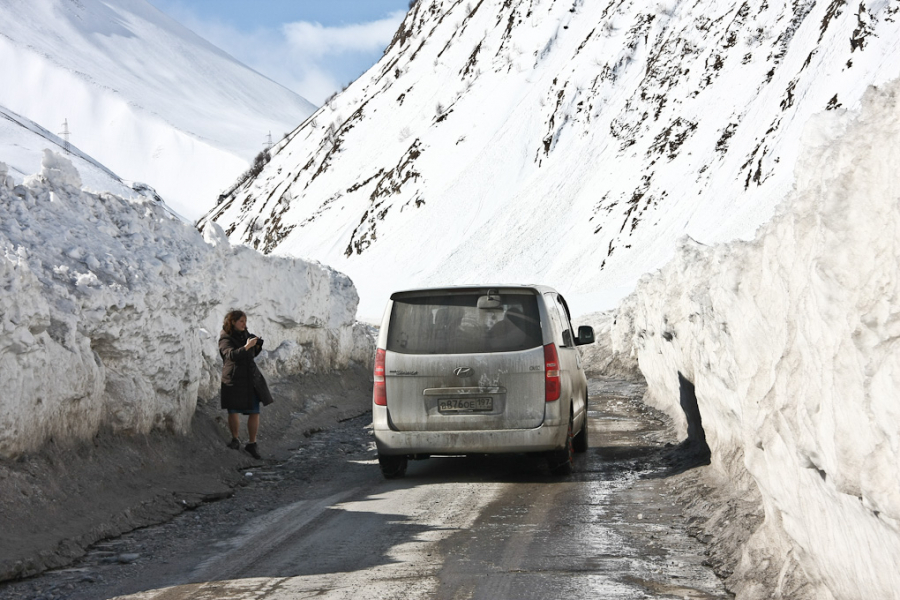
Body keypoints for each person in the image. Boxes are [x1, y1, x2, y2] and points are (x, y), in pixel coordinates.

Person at [219, 310, 273, 459]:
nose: (244, 324)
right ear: (232, 322)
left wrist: (256, 346)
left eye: (245, 321)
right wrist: (247, 347)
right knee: (233, 410)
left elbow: (250, 356)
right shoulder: (225, 338)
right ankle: (235, 439)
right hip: (234, 379)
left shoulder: (245, 335)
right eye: (241, 321)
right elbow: (230, 355)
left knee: (254, 411)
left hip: (250, 378)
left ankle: (252, 443)